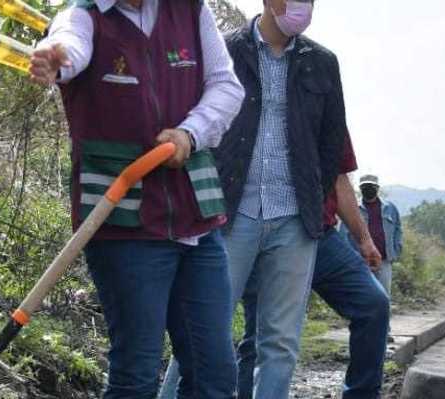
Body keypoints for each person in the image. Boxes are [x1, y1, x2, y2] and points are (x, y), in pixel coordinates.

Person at [29, 0, 245, 397]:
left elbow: (227, 86)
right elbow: (71, 46)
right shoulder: (84, 15)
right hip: (124, 225)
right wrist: (56, 58)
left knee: (214, 373)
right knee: (137, 375)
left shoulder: (190, 10)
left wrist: (191, 132)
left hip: (196, 220)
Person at [161, 0, 351, 397]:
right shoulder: (225, 50)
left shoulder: (323, 63)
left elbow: (332, 143)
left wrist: (312, 200)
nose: (303, 7)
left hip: (294, 219)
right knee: (202, 332)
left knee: (280, 342)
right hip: (229, 214)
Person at [161, 139, 392, 399]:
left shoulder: (323, 114)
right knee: (236, 331)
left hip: (316, 231)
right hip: (247, 224)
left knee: (373, 303)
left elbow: (339, 176)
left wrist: (364, 239)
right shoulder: (241, 113)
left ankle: (362, 394)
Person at [344, 175, 403, 298]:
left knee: (383, 296)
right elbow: (344, 234)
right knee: (361, 295)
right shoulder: (353, 208)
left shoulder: (390, 208)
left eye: (371, 186)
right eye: (365, 186)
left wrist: (396, 251)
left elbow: (398, 230)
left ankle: (382, 312)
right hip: (360, 261)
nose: (368, 189)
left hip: (384, 260)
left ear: (377, 188)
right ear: (360, 188)